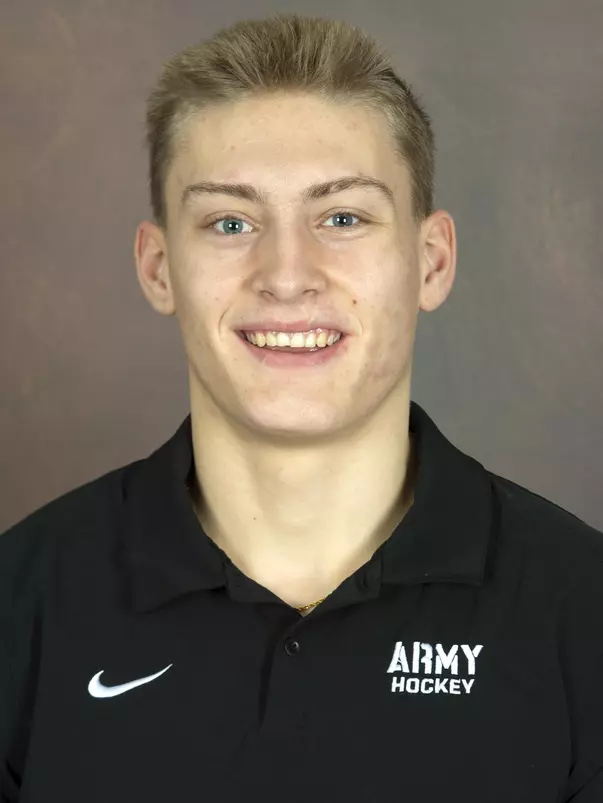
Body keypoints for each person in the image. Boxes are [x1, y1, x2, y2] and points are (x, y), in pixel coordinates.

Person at [1, 11, 601, 803]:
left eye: (342, 217)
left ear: (430, 260)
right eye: (230, 221)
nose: (286, 274)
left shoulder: (581, 611)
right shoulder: (21, 605)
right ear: (158, 268)